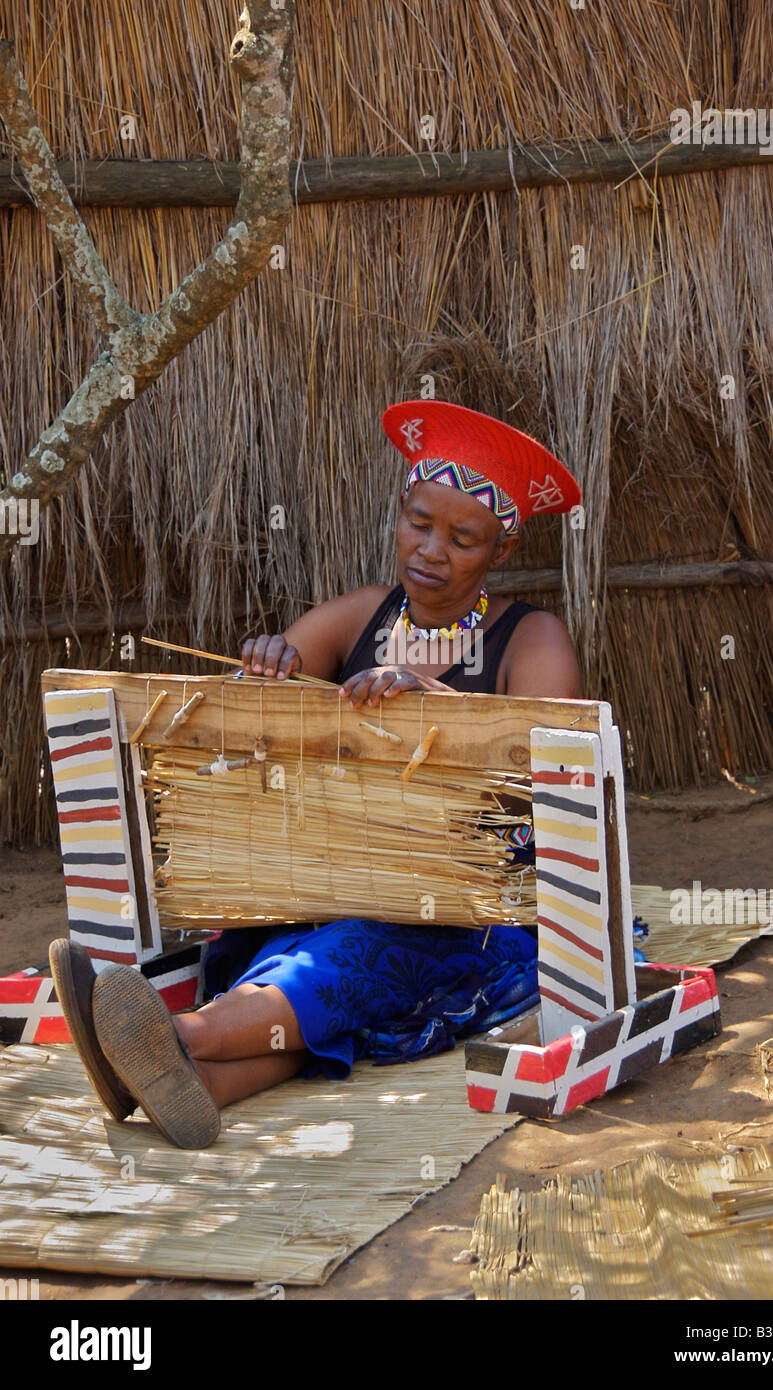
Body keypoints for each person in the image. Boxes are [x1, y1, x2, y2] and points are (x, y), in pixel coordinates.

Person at [50, 400, 583, 1148]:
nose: (431, 549)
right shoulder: (360, 615)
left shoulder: (531, 638)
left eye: (463, 539)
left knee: (349, 957)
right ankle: (200, 1082)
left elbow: (556, 770)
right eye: (418, 522)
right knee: (279, 947)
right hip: (328, 883)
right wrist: (268, 667)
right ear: (399, 510)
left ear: (500, 549)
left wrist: (430, 700)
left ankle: (168, 1037)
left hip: (467, 912)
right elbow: (250, 717)